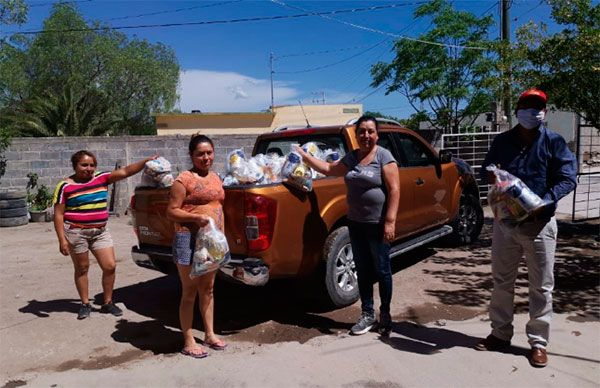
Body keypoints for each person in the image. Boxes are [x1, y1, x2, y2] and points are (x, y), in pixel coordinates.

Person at [476, 89, 577, 367]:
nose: (532, 112)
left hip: (539, 224)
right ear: (517, 110)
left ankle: (538, 343)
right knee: (501, 281)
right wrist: (492, 173)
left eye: (538, 107)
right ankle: (499, 333)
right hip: (505, 224)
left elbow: (568, 178)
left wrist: (545, 201)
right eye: (527, 106)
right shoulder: (502, 141)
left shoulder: (554, 143)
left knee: (541, 286)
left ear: (544, 112)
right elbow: (487, 167)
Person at [296, 115, 400, 336]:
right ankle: (367, 314)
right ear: (356, 134)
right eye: (362, 131)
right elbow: (328, 169)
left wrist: (390, 221)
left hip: (378, 224)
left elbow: (394, 190)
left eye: (370, 131)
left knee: (382, 271)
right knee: (362, 270)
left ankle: (386, 314)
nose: (366, 135)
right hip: (356, 224)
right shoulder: (352, 158)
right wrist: (305, 157)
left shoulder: (384, 157)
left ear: (376, 135)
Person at [53, 150, 157, 320]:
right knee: (82, 268)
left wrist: (146, 161)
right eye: (84, 165)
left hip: (100, 232)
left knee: (110, 266)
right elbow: (58, 215)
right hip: (76, 233)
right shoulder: (64, 186)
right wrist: (62, 240)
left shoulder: (102, 178)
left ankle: (107, 303)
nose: (88, 168)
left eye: (92, 165)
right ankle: (85, 304)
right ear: (75, 165)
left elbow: (126, 171)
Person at [166, 134, 227, 359]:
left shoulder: (216, 177)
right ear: (191, 155)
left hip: (211, 242)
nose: (206, 157)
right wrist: (195, 219)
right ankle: (188, 339)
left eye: (209, 152)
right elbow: (171, 210)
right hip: (187, 240)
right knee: (189, 290)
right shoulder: (184, 180)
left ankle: (209, 334)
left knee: (208, 289)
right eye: (200, 153)